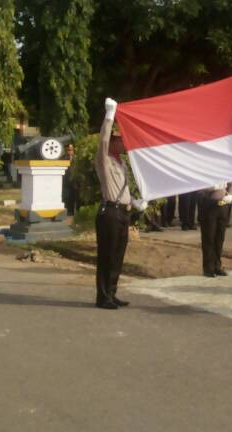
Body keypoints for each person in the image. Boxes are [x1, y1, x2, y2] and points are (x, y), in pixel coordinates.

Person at [94, 98, 147, 310]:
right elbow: (103, 142)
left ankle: (112, 293)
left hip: (122, 212)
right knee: (107, 255)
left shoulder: (121, 162)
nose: (124, 143)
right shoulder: (104, 159)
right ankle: (103, 296)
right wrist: (109, 116)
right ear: (113, 142)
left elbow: (121, 188)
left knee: (118, 255)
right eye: (120, 140)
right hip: (110, 213)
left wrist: (133, 201)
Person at [198, 182, 232, 277]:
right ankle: (208, 268)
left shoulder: (222, 170)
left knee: (219, 239)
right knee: (209, 238)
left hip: (223, 206)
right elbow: (198, 189)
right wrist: (212, 187)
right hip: (209, 206)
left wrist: (230, 194)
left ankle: (217, 266)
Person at [62, 143, 77, 217]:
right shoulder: (63, 158)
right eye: (68, 150)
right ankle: (67, 212)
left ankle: (73, 212)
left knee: (74, 196)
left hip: (74, 180)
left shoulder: (76, 158)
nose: (69, 152)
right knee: (66, 197)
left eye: (71, 150)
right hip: (66, 180)